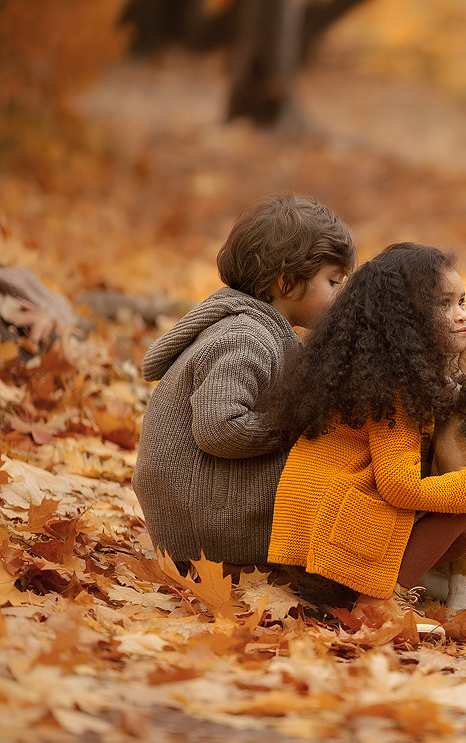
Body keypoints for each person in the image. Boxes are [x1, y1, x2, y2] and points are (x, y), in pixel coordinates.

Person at [266, 243, 466, 628]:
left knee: (462, 535)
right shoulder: (392, 396)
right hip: (331, 554)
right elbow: (400, 488)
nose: (461, 315)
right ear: (403, 319)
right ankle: (375, 605)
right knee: (460, 509)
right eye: (443, 304)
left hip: (306, 547)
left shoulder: (361, 372)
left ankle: (365, 596)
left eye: (461, 301)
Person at [132, 194, 355, 573]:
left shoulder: (262, 330)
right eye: (333, 282)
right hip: (209, 531)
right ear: (287, 282)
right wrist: (297, 424)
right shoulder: (246, 337)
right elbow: (219, 429)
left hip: (205, 515)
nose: (340, 295)